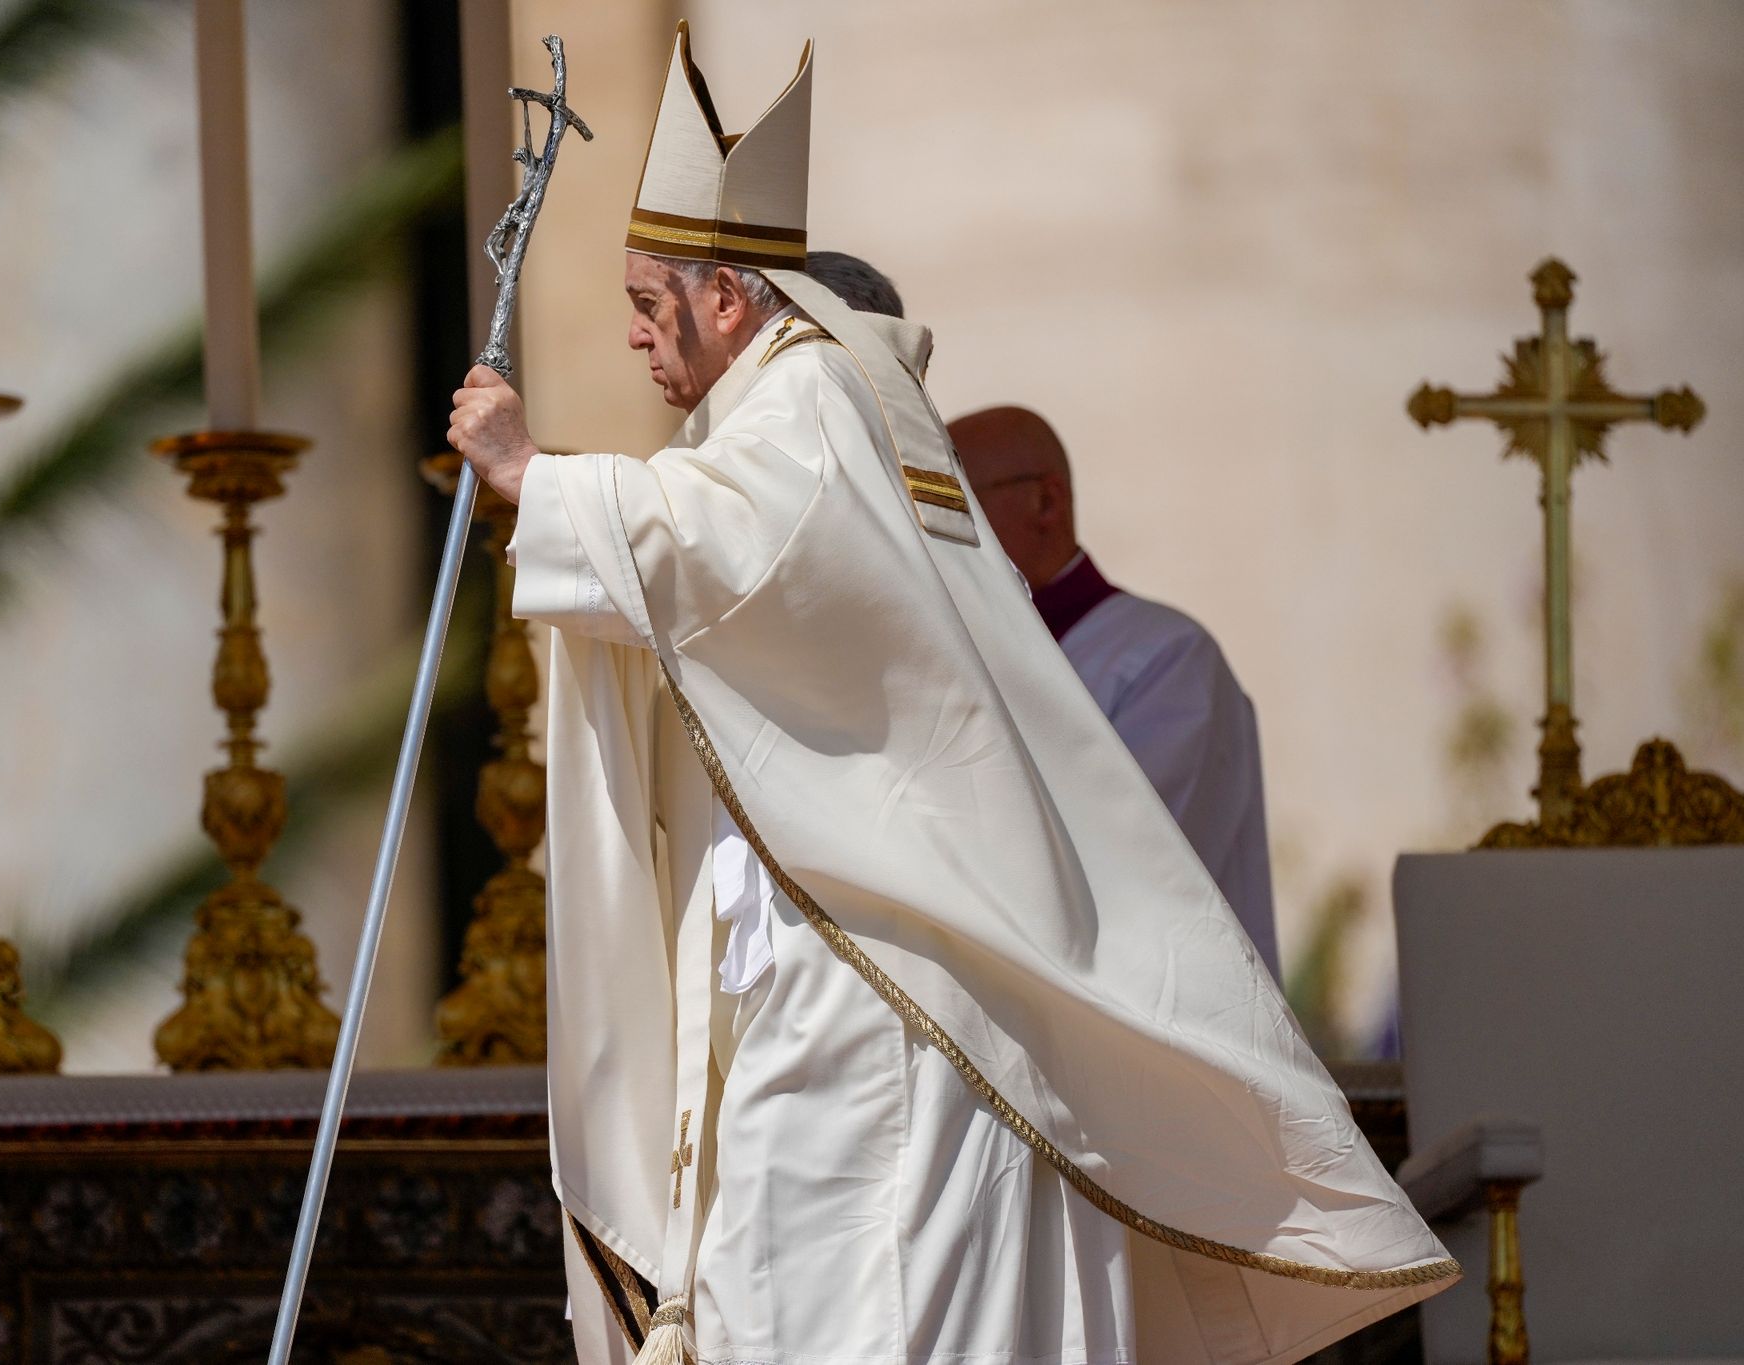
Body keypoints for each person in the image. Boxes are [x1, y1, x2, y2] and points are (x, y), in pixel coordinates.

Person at [447, 22, 1453, 1365]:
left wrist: (538, 475)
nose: (632, 337)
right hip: (823, 979)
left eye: (648, 302)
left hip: (879, 1012)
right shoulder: (785, 417)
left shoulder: (810, 408)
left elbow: (730, 536)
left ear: (728, 299)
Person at [948, 405, 1281, 979]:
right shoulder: (957, 657)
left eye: (955, 499)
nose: (933, 529)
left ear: (1046, 503)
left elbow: (1125, 872)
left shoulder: (1167, 659)